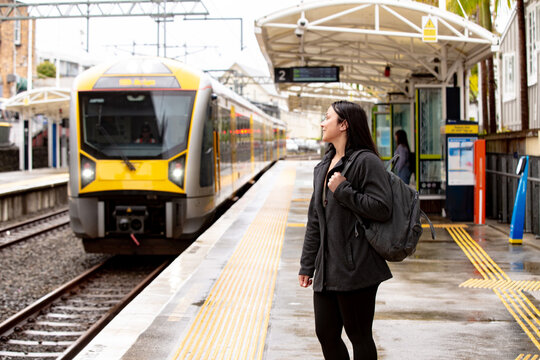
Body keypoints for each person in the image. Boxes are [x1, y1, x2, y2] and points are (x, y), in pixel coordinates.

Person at [298, 100, 393, 360]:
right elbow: (314, 220)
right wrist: (307, 265)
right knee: (326, 333)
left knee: (359, 335)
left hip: (357, 267)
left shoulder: (366, 162)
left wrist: (343, 190)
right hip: (327, 268)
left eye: (327, 117)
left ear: (344, 124)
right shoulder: (323, 166)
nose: (322, 122)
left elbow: (382, 207)